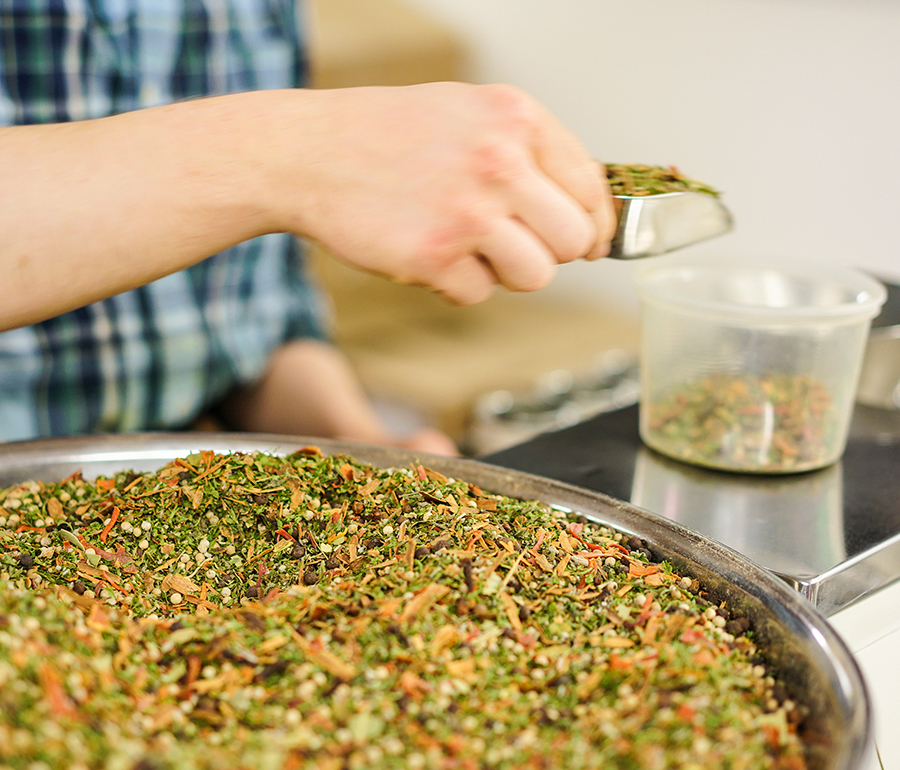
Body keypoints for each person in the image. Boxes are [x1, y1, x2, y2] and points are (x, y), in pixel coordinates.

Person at [0, 3, 616, 452]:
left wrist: (350, 448)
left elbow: (254, 321)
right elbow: (281, 174)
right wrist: (293, 150)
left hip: (185, 498)